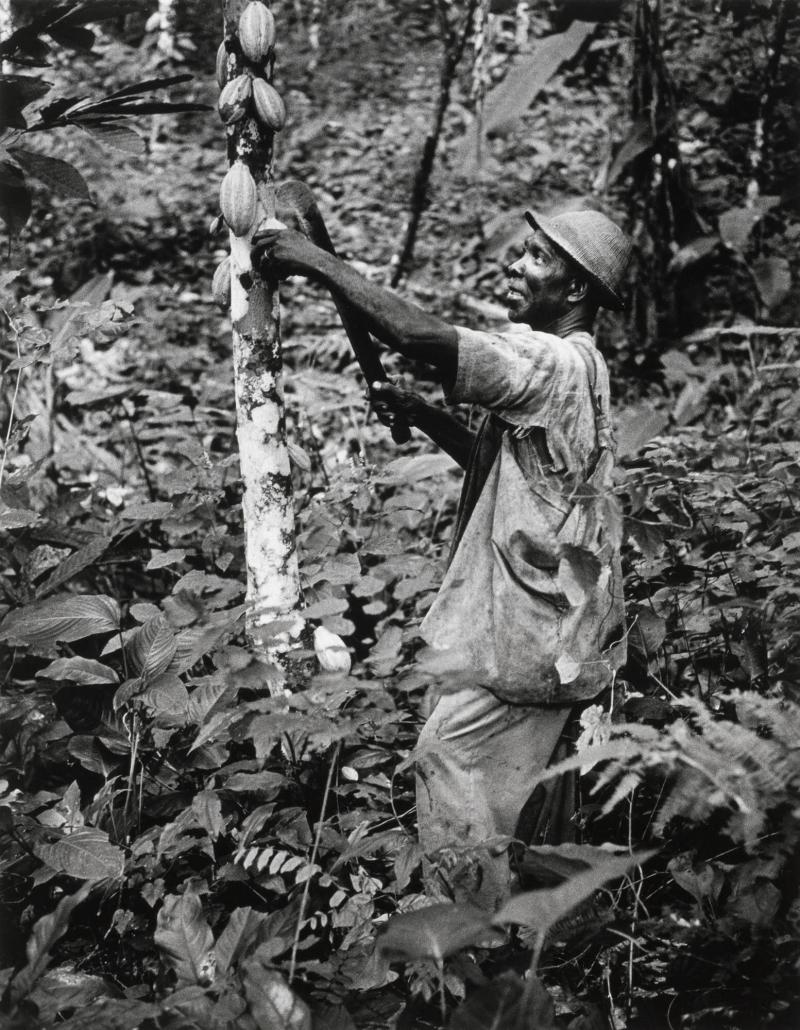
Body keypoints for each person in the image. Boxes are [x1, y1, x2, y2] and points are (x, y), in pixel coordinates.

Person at [253, 206, 633, 908]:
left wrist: (314, 260)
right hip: (548, 634)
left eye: (536, 259)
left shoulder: (549, 362)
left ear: (576, 291)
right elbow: (519, 482)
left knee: (446, 758)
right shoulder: (584, 368)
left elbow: (416, 334)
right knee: (512, 801)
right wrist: (428, 417)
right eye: (520, 252)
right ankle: (532, 930)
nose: (515, 268)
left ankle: (463, 943)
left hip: (524, 637)